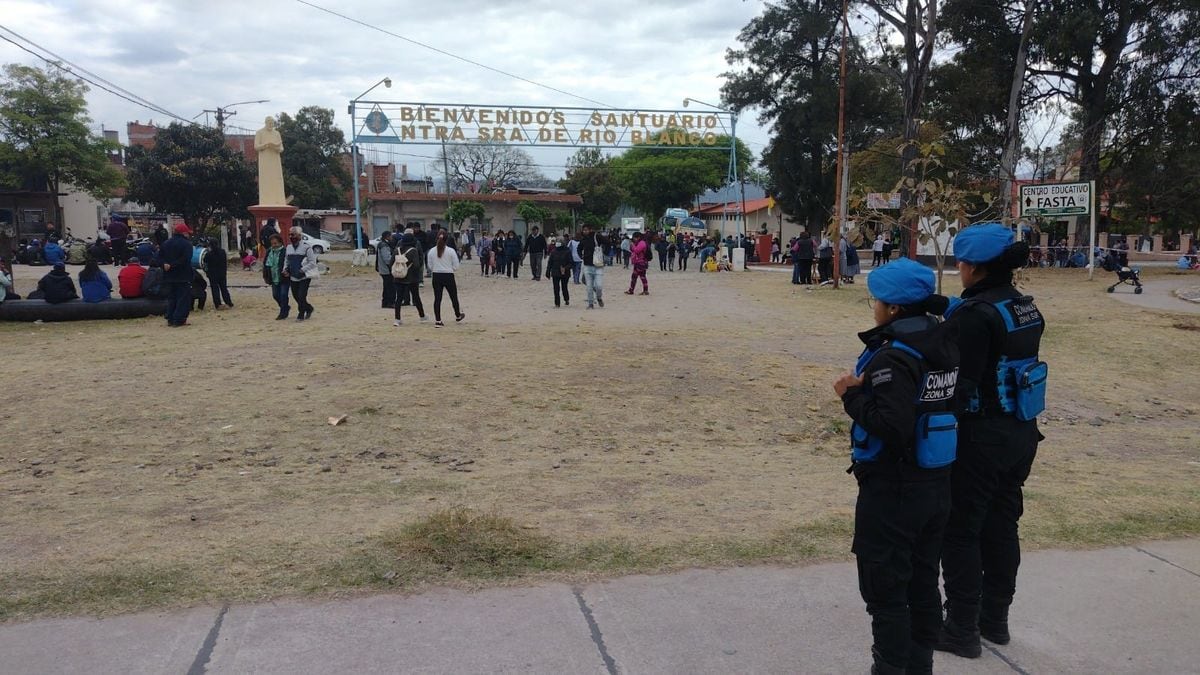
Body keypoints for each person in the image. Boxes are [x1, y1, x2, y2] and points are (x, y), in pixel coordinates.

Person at [833, 257, 960, 675]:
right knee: (923, 583)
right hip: (935, 483)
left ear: (894, 310)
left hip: (894, 490)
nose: (874, 307)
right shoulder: (942, 342)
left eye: (877, 300)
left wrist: (851, 396)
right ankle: (919, 666)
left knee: (886, 591)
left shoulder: (892, 358)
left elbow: (892, 425)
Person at [935, 224, 1045, 659]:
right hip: (1021, 431)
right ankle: (994, 621)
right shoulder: (1023, 306)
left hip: (981, 437)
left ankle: (960, 628)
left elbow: (961, 387)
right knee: (1003, 526)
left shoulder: (973, 316)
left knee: (961, 531)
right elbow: (988, 324)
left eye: (961, 262)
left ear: (973, 266)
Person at [426, 231, 465, 327]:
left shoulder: (431, 251)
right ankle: (457, 314)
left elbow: (429, 266)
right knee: (453, 296)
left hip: (436, 275)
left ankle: (438, 320)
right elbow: (456, 266)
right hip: (448, 275)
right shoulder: (451, 251)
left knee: (437, 298)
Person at [160, 224, 195, 327]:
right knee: (183, 298)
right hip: (183, 275)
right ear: (184, 233)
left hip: (168, 276)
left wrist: (164, 265)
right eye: (187, 233)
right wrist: (173, 265)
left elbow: (158, 257)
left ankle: (170, 318)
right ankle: (179, 319)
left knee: (172, 297)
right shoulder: (187, 244)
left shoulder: (165, 243)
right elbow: (186, 259)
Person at [284, 226, 318, 321]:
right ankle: (309, 308)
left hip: (304, 276)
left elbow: (312, 262)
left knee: (301, 295)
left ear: (299, 235)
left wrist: (302, 270)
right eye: (290, 234)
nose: (291, 236)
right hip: (293, 276)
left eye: (293, 234)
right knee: (296, 296)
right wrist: (285, 269)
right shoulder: (289, 247)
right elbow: (286, 260)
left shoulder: (307, 248)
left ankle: (301, 314)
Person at [393, 233, 427, 326]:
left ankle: (397, 319)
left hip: (399, 277)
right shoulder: (413, 251)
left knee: (398, 299)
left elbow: (391, 262)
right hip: (411, 278)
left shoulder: (397, 250)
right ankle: (422, 316)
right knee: (416, 297)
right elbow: (416, 265)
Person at [578, 224, 607, 309]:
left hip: (598, 266)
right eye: (584, 230)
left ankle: (599, 297)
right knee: (589, 287)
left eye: (586, 230)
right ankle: (590, 303)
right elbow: (579, 249)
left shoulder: (597, 237)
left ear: (590, 230)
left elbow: (607, 242)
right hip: (587, 265)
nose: (585, 231)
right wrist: (581, 256)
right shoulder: (583, 240)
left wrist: (605, 253)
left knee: (599, 286)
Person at [262, 233, 289, 320]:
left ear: (280, 242)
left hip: (284, 277)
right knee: (275, 295)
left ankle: (283, 313)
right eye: (272, 243)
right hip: (273, 276)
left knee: (283, 294)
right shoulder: (269, 251)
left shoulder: (285, 251)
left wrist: (288, 271)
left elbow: (289, 263)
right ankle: (285, 307)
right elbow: (265, 264)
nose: (274, 245)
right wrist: (265, 276)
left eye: (276, 243)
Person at [205, 239, 233, 309]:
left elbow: (205, 260)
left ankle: (217, 304)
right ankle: (228, 302)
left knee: (215, 289)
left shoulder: (209, 254)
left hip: (213, 274)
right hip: (222, 273)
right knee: (224, 288)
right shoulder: (222, 252)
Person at [547, 237, 573, 307]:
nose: (558, 243)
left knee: (564, 287)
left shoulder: (567, 251)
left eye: (560, 241)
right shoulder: (553, 251)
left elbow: (571, 263)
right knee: (556, 288)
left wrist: (565, 268)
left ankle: (566, 299)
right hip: (555, 272)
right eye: (557, 241)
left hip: (565, 273)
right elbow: (550, 262)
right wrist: (548, 271)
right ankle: (557, 303)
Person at [375, 231, 396, 309]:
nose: (392, 238)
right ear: (387, 237)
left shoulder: (382, 244)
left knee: (386, 286)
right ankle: (390, 302)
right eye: (390, 236)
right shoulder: (384, 246)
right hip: (386, 270)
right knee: (390, 287)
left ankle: (385, 302)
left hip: (384, 269)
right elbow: (387, 259)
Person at [625, 231, 650, 295]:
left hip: (640, 262)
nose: (633, 239)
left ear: (638, 237)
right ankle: (642, 290)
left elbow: (636, 251)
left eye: (634, 238)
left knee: (639, 276)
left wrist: (632, 246)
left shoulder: (642, 243)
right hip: (639, 262)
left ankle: (641, 290)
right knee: (639, 276)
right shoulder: (640, 242)